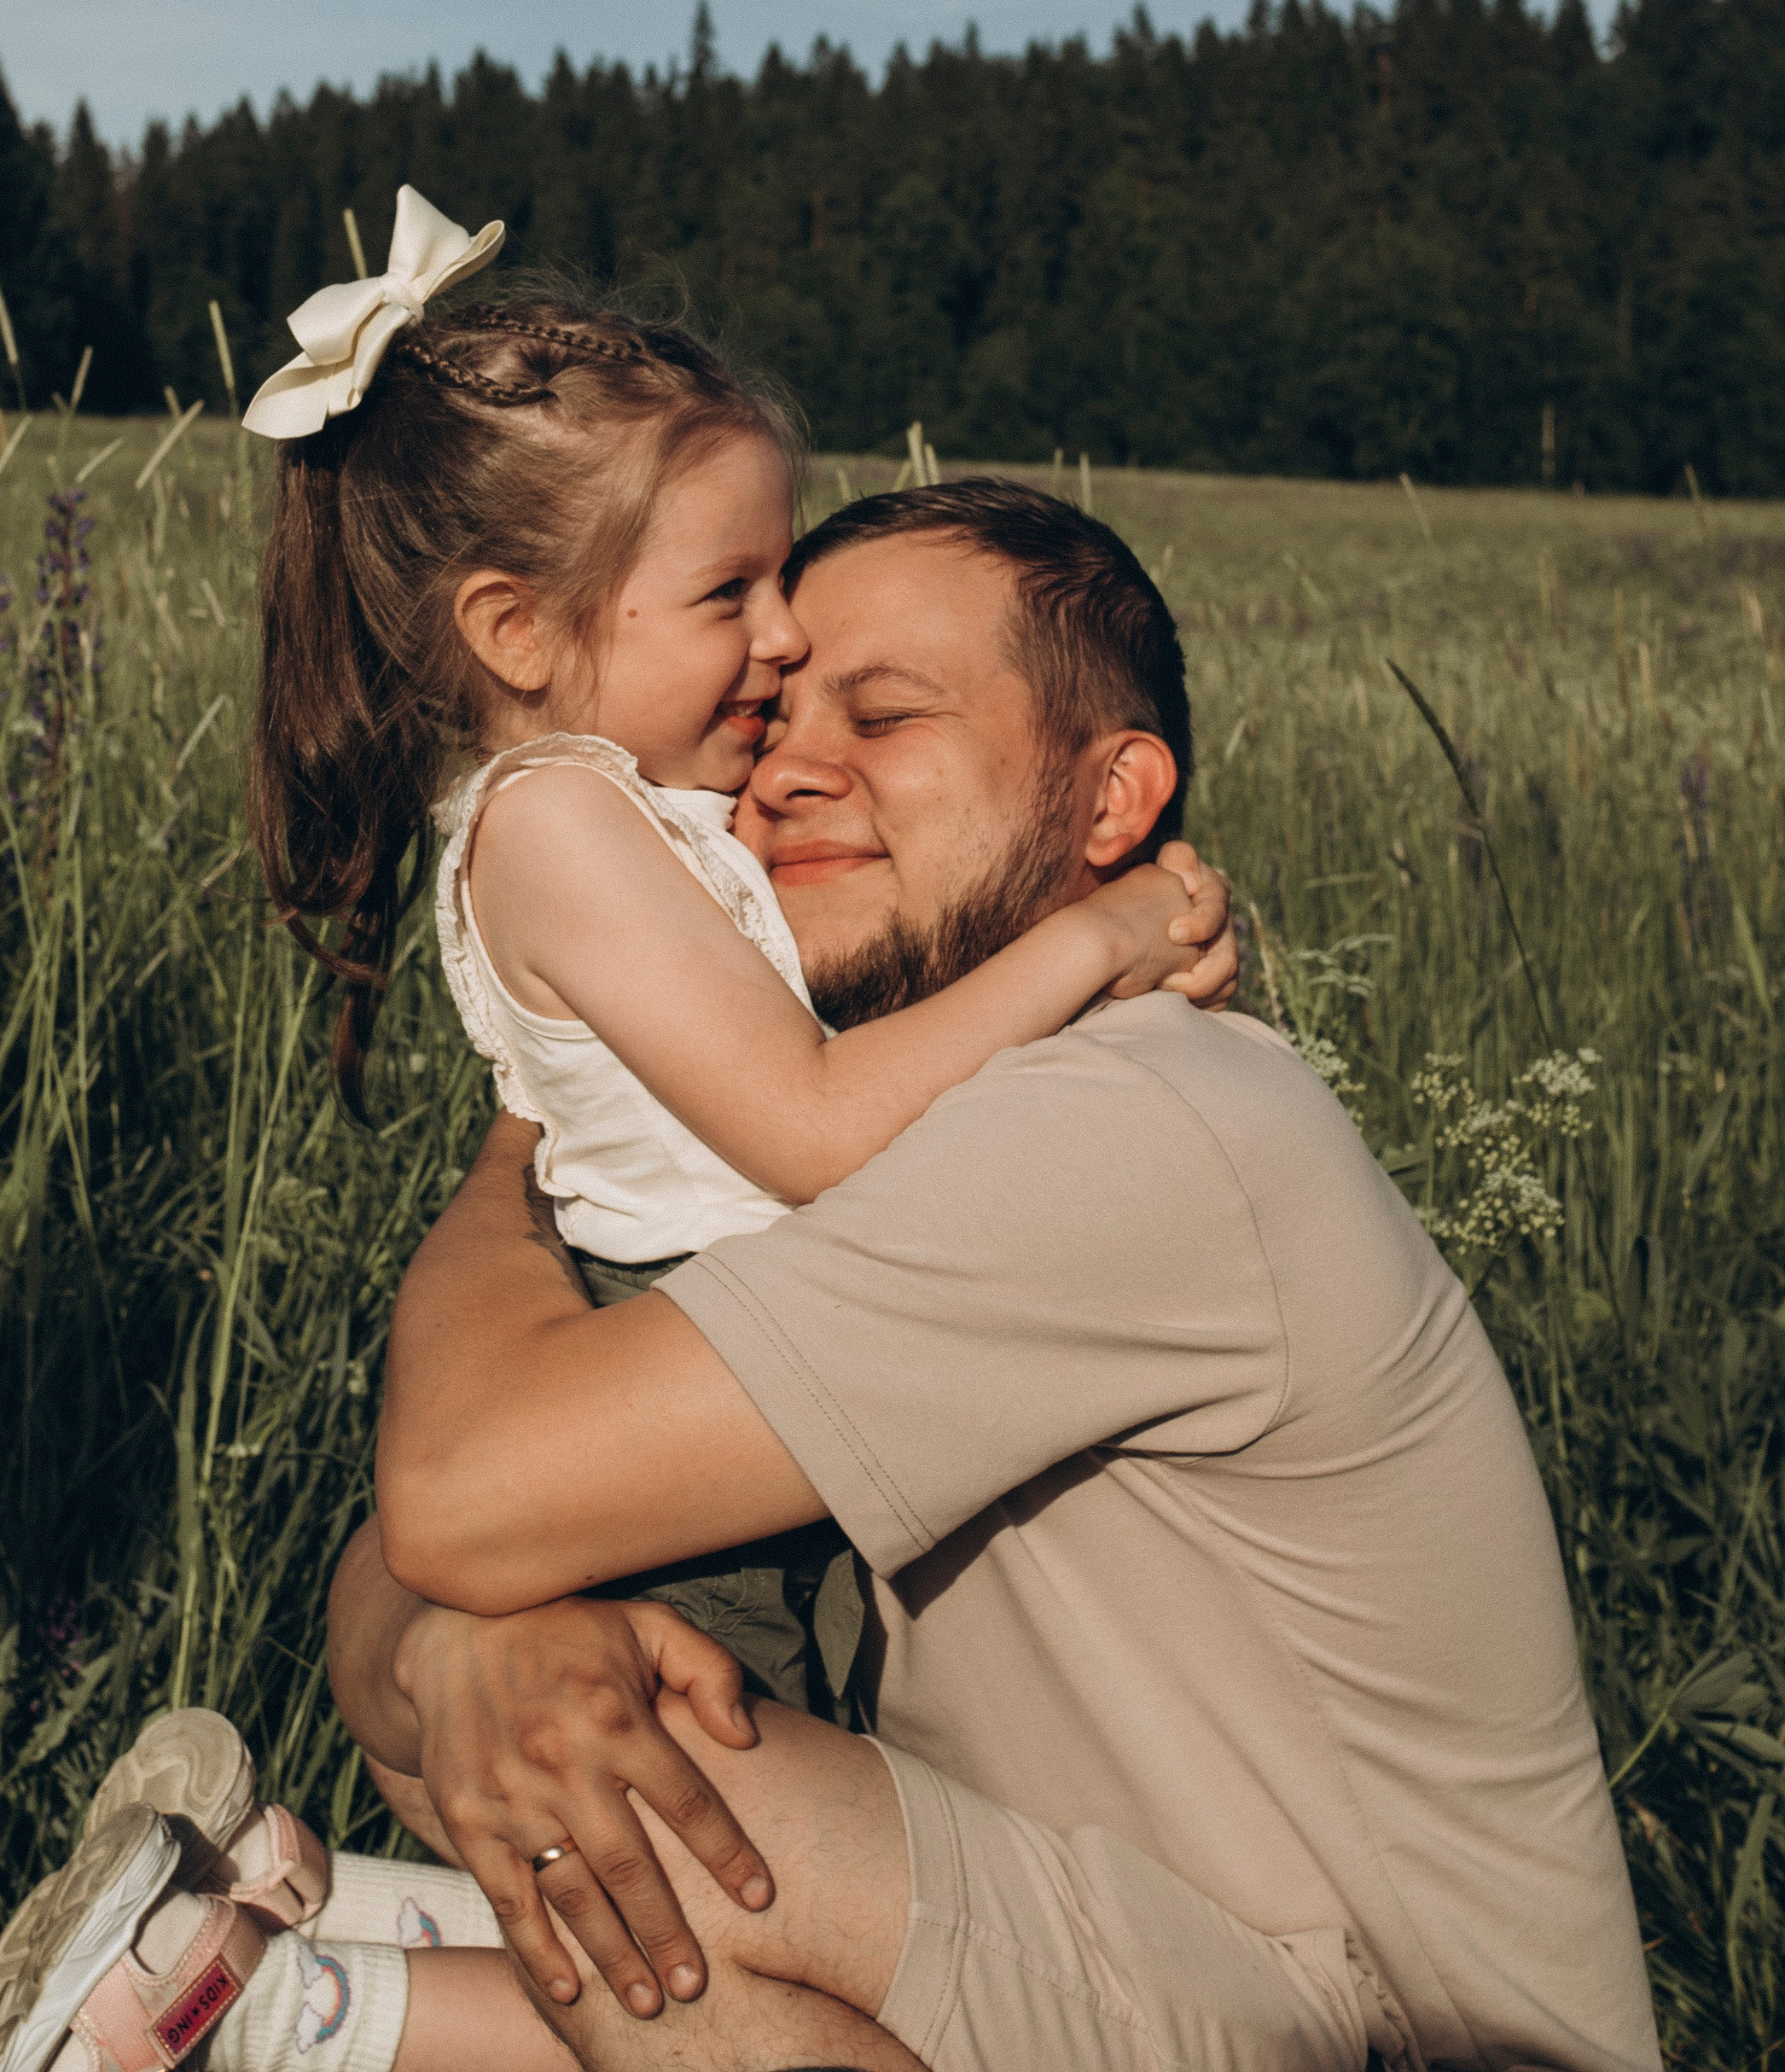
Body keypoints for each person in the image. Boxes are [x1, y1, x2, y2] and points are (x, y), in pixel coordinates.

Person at [0, 199, 1235, 2072]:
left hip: (713, 1330)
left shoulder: (618, 815)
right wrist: (1089, 940)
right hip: (701, 1344)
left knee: (677, 1891)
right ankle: (258, 2014)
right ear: (517, 628)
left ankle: (257, 1967)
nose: (778, 638)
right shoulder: (560, 820)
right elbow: (804, 1125)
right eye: (732, 596)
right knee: (693, 1895)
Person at [323, 480, 1663, 2072]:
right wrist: (458, 1650)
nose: (787, 773)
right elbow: (411, 1562)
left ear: (1113, 805)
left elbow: (466, 1490)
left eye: (884, 717)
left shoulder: (1134, 1121)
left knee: (624, 1775)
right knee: (565, 1730)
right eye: (762, 728)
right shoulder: (848, 1148)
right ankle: (292, 2004)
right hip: (1106, 1991)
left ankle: (300, 1997)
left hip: (1389, 2040)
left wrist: (526, 1134)